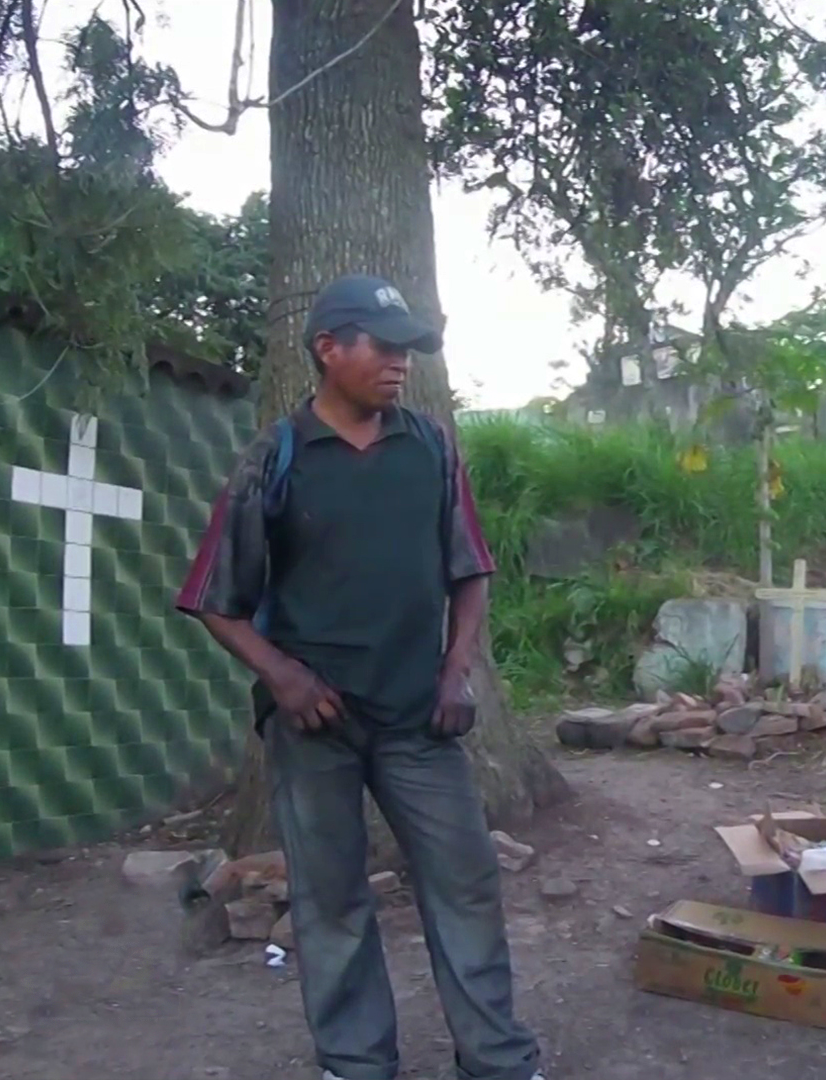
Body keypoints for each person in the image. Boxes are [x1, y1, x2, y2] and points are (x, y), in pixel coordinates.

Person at [175, 274, 543, 1080]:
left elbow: (470, 570)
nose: (401, 363)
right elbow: (212, 598)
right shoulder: (276, 456)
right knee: (331, 900)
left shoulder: (431, 449)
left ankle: (498, 1061)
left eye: (409, 349)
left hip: (420, 719)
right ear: (328, 349)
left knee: (466, 884)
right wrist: (283, 678)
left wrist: (456, 672)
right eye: (384, 346)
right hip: (317, 727)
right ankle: (355, 1063)